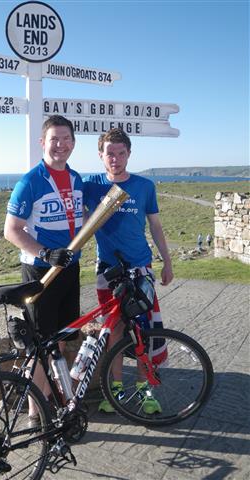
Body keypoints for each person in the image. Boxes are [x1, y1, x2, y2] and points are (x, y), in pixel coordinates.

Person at [83, 128, 173, 414]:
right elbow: (77, 216)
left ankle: (146, 391)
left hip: (140, 268)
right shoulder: (91, 185)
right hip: (107, 270)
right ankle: (117, 391)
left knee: (144, 331)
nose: (116, 159)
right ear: (100, 155)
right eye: (110, 153)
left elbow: (156, 227)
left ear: (129, 154)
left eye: (121, 153)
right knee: (115, 330)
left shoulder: (144, 186)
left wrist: (167, 262)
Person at [4, 115, 83, 426]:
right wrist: (46, 253)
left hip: (70, 271)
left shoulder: (77, 179)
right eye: (54, 139)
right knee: (39, 346)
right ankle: (35, 416)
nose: (60, 145)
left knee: (59, 341)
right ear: (42, 143)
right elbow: (11, 230)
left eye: (66, 139)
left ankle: (52, 402)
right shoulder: (30, 181)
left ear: (74, 143)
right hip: (40, 272)